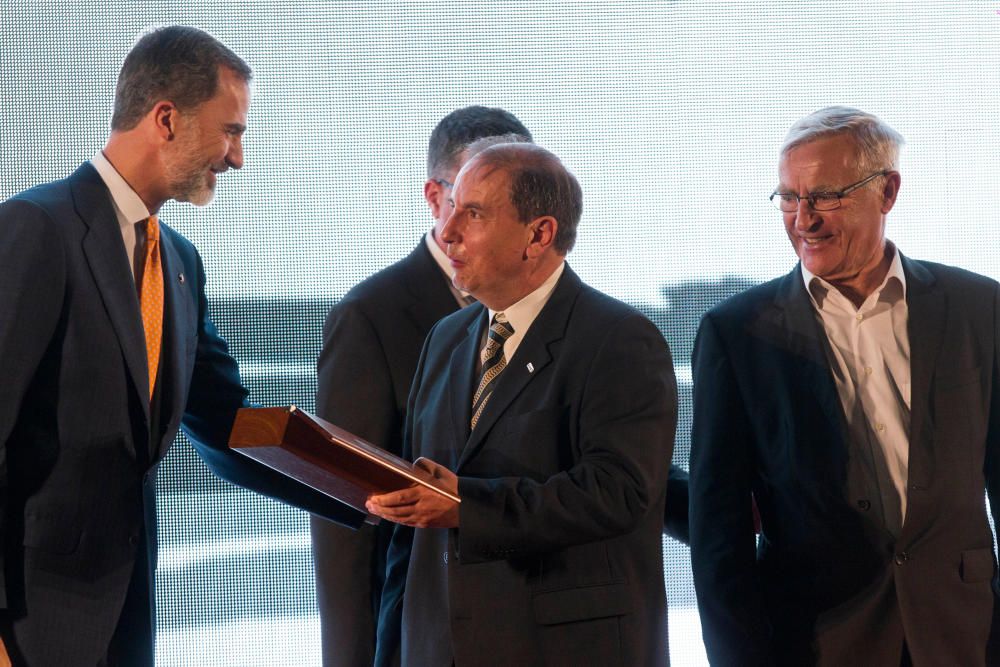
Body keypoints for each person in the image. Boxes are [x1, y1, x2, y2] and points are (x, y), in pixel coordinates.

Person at [0, 26, 361, 666]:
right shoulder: (37, 228)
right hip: (29, 624)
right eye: (231, 130)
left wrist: (368, 490)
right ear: (166, 118)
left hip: (124, 620)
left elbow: (229, 420)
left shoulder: (180, 262)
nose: (237, 157)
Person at [689, 106, 1000, 666]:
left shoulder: (980, 309)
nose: (803, 219)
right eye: (788, 197)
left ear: (888, 191)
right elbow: (719, 536)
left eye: (825, 196)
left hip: (963, 635)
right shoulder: (737, 334)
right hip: (815, 644)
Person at [367, 142, 678, 666]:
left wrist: (469, 505)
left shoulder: (620, 340)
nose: (447, 233)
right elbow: (415, 535)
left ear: (539, 235)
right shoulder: (445, 338)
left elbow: (617, 493)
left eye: (474, 214)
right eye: (450, 209)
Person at [310, 106, 533, 667]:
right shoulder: (372, 316)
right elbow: (347, 523)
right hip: (422, 637)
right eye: (475, 202)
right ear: (435, 198)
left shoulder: (552, 310)